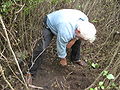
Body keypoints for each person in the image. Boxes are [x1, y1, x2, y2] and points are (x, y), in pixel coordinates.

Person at [26, 9, 96, 85]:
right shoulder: (65, 32)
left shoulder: (84, 20)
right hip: (50, 23)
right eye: (82, 38)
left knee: (78, 41)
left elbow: (78, 36)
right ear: (78, 31)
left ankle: (75, 59)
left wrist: (74, 39)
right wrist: (63, 58)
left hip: (63, 21)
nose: (83, 40)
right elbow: (60, 46)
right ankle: (30, 72)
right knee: (41, 48)